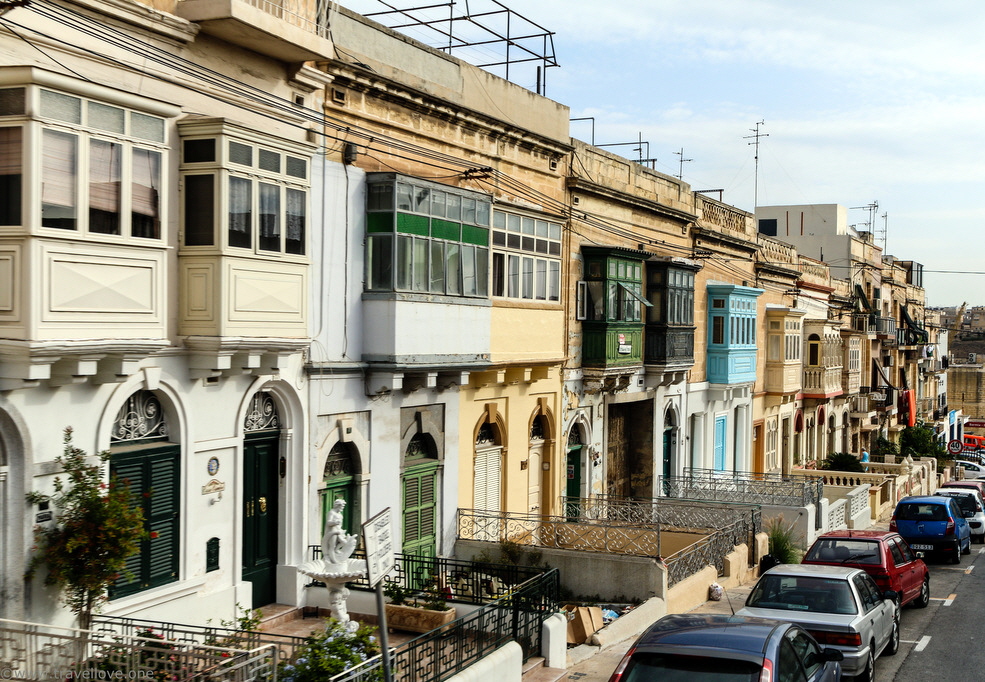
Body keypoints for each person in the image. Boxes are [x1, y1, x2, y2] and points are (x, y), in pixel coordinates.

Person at [321, 498, 348, 563]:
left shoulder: (340, 515)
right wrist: (335, 522)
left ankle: (336, 550)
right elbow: (328, 522)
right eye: (342, 506)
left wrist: (341, 530)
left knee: (344, 542)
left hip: (338, 531)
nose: (342, 508)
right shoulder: (331, 513)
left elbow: (340, 525)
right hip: (332, 532)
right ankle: (333, 560)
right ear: (338, 505)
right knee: (332, 546)